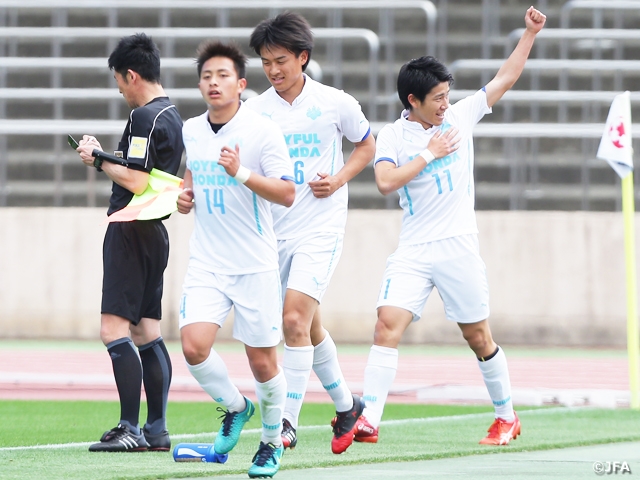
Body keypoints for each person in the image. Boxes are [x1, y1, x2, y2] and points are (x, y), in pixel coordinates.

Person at [356, 7, 546, 446]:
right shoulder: (394, 136)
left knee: (478, 336)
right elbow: (385, 182)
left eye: (447, 94)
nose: (446, 103)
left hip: (458, 246)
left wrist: (530, 34)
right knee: (386, 324)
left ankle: (506, 417)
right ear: (413, 102)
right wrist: (430, 153)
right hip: (414, 248)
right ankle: (370, 420)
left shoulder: (459, 117)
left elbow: (505, 79)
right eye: (437, 97)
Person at [246, 12, 376, 455]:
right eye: (265, 62)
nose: (273, 70)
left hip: (320, 228)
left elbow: (367, 145)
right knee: (309, 327)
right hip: (272, 232)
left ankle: (286, 423)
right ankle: (346, 406)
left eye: (281, 60)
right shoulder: (256, 111)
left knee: (293, 322)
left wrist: (338, 180)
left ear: (303, 57)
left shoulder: (336, 102)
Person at [176, 40, 294, 478]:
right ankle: (235, 407)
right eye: (207, 76)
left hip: (255, 264)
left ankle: (269, 443)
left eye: (223, 75)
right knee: (192, 346)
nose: (213, 82)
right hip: (207, 261)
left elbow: (287, 192)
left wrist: (240, 173)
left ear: (241, 84)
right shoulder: (192, 128)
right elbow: (192, 175)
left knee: (263, 363)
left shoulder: (262, 131)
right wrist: (186, 197)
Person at [75, 33, 183, 452]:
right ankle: (156, 428)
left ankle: (129, 427)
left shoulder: (144, 116)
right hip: (155, 231)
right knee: (147, 332)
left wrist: (98, 160)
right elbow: (146, 172)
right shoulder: (171, 114)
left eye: (119, 81)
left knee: (113, 330)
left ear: (131, 74)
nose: (119, 89)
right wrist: (106, 155)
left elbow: (137, 181)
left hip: (131, 227)